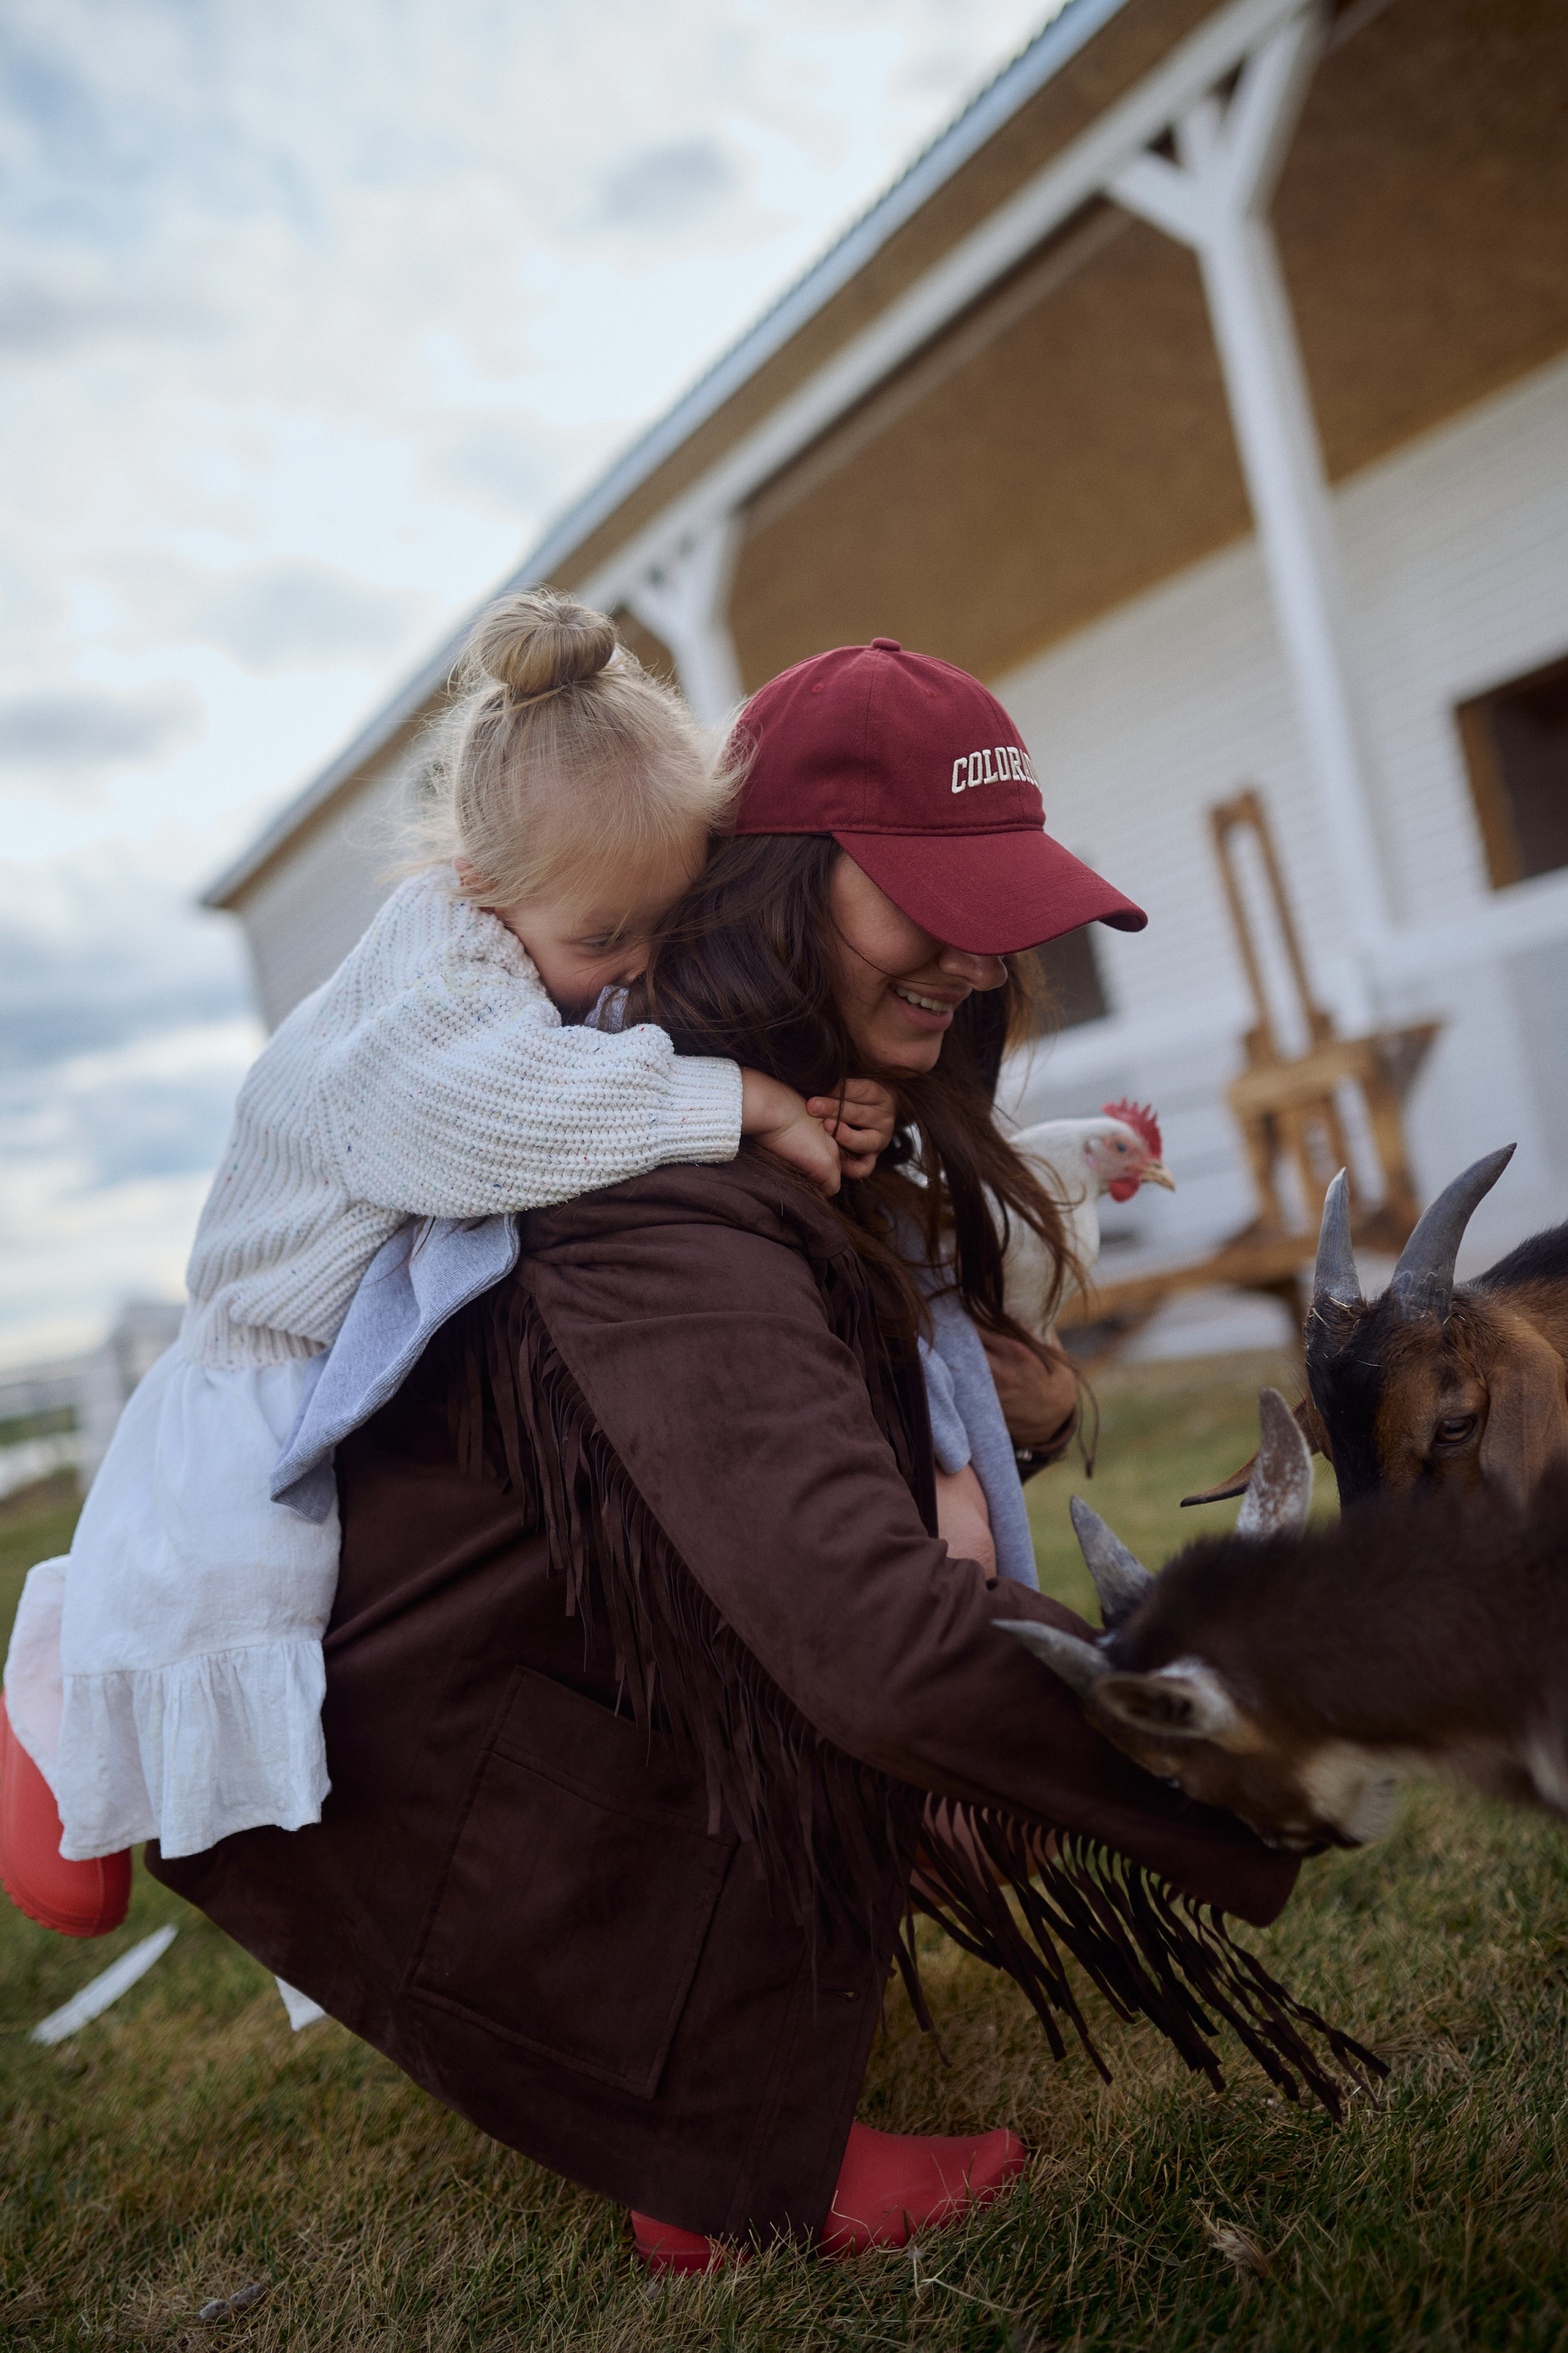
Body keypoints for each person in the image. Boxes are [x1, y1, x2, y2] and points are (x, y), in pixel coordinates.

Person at [141, 639, 1355, 2273]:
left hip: (562, 1719)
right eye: (929, 900)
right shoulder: (649, 1177)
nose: (978, 957)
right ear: (781, 882)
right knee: (873, 1660)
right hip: (468, 1769)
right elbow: (863, 1628)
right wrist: (1234, 1748)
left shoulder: (800, 1093)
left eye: (1000, 909)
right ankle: (704, 2117)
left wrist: (1005, 1394)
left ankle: (711, 2088)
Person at [0, 592, 895, 1929]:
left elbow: (603, 1065)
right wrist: (744, 1103)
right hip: (260, 1380)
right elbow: (492, 1119)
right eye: (604, 943)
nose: (633, 973)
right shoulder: (438, 978)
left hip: (370, 1358)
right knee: (240, 1651)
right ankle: (59, 1674)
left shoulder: (553, 937)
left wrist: (818, 1100)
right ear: (483, 885)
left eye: (662, 927)